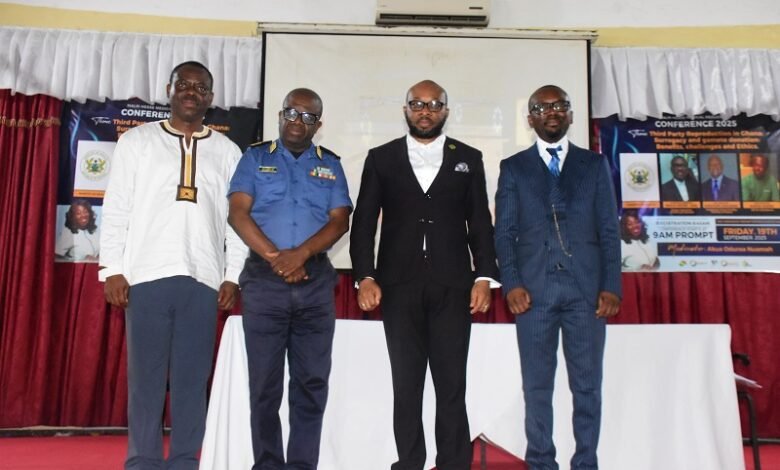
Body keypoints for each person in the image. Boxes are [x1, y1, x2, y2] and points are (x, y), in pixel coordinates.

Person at [99, 61, 246, 470]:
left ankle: (185, 460)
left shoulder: (227, 151)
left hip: (202, 276)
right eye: (184, 84)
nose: (191, 92)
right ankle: (143, 459)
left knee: (191, 379)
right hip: (146, 275)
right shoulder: (138, 142)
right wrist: (112, 267)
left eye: (200, 87)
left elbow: (237, 221)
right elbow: (116, 210)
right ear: (170, 89)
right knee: (145, 378)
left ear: (210, 99)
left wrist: (232, 274)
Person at [350, 80, 499, 470]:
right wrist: (364, 276)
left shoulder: (468, 157)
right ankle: (409, 462)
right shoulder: (381, 158)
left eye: (434, 104)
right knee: (407, 387)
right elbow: (363, 223)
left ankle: (453, 464)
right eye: (418, 103)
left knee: (452, 387)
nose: (425, 110)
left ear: (446, 111)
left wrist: (484, 275)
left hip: (454, 287)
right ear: (405, 109)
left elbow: (480, 223)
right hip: (397, 288)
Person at [494, 85, 621, 470]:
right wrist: (512, 283)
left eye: (559, 106)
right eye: (542, 107)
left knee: (587, 389)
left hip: (586, 293)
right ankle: (541, 463)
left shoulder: (593, 164)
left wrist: (611, 286)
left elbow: (609, 230)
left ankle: (586, 463)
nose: (551, 112)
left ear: (569, 114)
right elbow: (504, 232)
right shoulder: (513, 168)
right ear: (530, 118)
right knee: (537, 389)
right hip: (533, 293)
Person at [227, 88, 352, 470]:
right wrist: (276, 258)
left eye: (308, 117)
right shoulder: (254, 158)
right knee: (264, 387)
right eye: (292, 114)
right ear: (280, 116)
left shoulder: (330, 164)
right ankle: (267, 464)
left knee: (311, 385)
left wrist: (301, 255)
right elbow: (238, 213)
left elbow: (340, 220)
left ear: (319, 124)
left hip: (315, 284)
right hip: (264, 283)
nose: (298, 122)